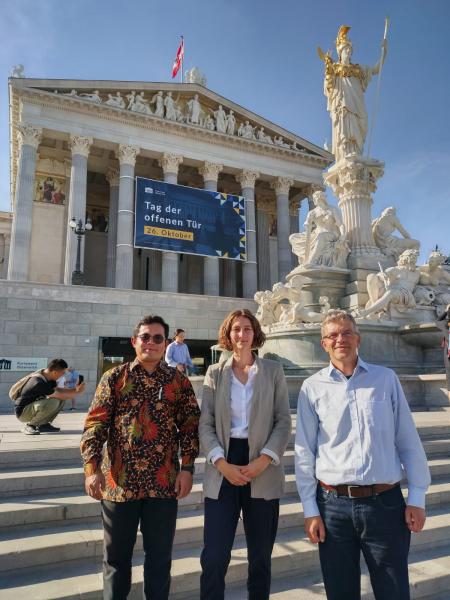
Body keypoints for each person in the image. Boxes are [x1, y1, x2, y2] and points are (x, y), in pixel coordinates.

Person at [295, 309, 431, 600]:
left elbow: (408, 439)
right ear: (324, 344)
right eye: (333, 335)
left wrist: (417, 497)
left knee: (393, 592)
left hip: (385, 504)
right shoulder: (312, 388)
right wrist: (310, 509)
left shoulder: (386, 379)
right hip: (333, 508)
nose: (340, 339)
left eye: (346, 333)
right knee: (340, 593)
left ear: (358, 338)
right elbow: (305, 451)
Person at [80, 315, 200, 600]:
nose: (151, 343)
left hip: (163, 484)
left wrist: (188, 469)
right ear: (135, 342)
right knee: (116, 561)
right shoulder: (115, 377)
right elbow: (95, 424)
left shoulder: (178, 381)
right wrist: (91, 468)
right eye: (145, 337)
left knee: (159, 561)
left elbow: (190, 426)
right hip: (118, 484)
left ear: (166, 344)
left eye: (158, 338)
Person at [199, 308, 291, 600]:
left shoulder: (273, 371)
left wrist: (264, 459)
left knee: (261, 558)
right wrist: (221, 463)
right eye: (236, 329)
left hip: (262, 464)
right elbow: (206, 423)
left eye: (247, 328)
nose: (241, 334)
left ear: (255, 334)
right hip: (223, 464)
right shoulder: (215, 373)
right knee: (214, 556)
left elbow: (283, 420)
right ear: (228, 334)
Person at [320, 26, 387, 161]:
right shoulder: (335, 70)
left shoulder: (359, 69)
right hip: (342, 105)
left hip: (357, 105)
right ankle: (345, 154)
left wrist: (384, 53)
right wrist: (328, 73)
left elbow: (375, 69)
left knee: (359, 127)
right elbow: (328, 88)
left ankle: (356, 152)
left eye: (350, 50)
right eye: (346, 50)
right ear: (340, 52)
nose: (349, 52)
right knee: (344, 130)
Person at [14, 358, 85, 435]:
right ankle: (30, 425)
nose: (63, 375)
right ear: (54, 372)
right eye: (63, 373)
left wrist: (75, 389)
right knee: (53, 402)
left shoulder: (49, 378)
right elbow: (59, 395)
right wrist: (78, 393)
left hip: (32, 407)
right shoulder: (38, 382)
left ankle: (43, 424)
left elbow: (58, 390)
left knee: (60, 401)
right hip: (23, 412)